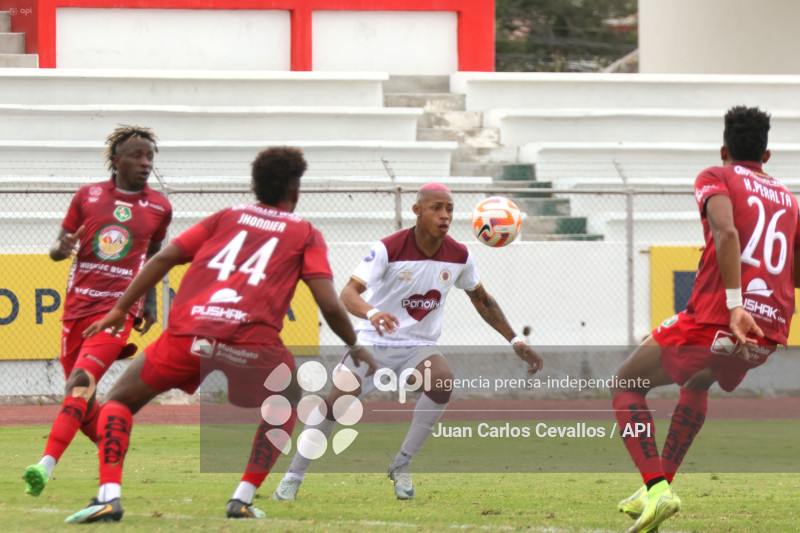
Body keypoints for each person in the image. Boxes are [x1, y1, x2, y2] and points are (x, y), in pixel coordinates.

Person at [63, 146, 376, 523]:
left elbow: (162, 258)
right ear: (294, 188)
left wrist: (118, 308)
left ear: (256, 185)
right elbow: (327, 302)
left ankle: (108, 496)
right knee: (287, 401)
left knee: (118, 401)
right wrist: (355, 344)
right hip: (252, 345)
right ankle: (242, 498)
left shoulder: (226, 216)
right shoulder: (305, 233)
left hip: (187, 335)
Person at [273, 182, 544, 502]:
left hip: (419, 346)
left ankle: (401, 464)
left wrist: (514, 339)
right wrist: (372, 313)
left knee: (442, 382)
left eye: (450, 209)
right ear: (417, 211)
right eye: (437, 208)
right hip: (374, 342)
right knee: (336, 404)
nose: (445, 215)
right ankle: (293, 476)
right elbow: (348, 293)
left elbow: (482, 300)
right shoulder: (389, 248)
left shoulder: (459, 255)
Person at [611, 106, 800, 533]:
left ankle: (657, 489)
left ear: (724, 148)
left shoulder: (717, 176)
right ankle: (655, 490)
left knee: (626, 384)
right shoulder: (789, 200)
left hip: (720, 318)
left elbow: (726, 232)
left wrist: (736, 304)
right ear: (767, 155)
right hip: (766, 334)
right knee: (696, 383)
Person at [24, 126, 172, 498]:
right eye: (137, 156)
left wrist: (148, 303)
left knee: (80, 383)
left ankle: (45, 464)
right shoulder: (87, 197)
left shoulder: (159, 207)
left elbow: (154, 259)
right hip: (77, 311)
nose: (145, 163)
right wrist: (64, 246)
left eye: (149, 157)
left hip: (117, 312)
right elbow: (57, 251)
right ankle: (113, 451)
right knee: (86, 404)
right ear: (116, 159)